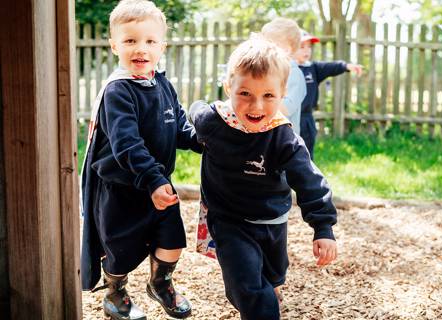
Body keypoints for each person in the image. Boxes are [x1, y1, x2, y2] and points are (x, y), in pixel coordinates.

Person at [189, 37, 338, 320]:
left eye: (268, 96)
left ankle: (268, 294)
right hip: (228, 219)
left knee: (272, 277)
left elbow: (310, 182)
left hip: (272, 221)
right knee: (247, 287)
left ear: (282, 94)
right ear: (228, 88)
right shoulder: (214, 121)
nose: (256, 105)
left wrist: (323, 228)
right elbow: (196, 111)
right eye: (244, 93)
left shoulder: (283, 138)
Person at [80, 0, 202, 319]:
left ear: (162, 45)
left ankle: (160, 283)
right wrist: (153, 179)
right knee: (120, 252)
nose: (141, 49)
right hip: (123, 188)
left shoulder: (161, 83)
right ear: (114, 45)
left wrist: (205, 141)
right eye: (130, 40)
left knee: (173, 241)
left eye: (150, 40)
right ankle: (114, 294)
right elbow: (127, 144)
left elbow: (179, 124)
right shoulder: (118, 91)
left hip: (159, 185)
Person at [294, 29, 363, 159]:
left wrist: (346, 66)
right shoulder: (285, 69)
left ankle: (307, 177)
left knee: (306, 154)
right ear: (291, 48)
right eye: (302, 47)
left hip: (306, 118)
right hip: (290, 118)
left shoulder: (312, 68)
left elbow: (330, 67)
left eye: (309, 47)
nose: (307, 50)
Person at [261, 18, 306, 135]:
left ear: (288, 49)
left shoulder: (294, 74)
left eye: (272, 45)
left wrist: (260, 99)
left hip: (285, 140)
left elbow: (287, 108)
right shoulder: (267, 71)